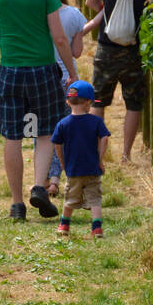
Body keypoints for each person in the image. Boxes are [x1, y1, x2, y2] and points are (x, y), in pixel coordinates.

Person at [0, 0, 78, 223]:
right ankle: (38, 186)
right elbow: (59, 38)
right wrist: (72, 73)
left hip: (9, 71)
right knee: (45, 130)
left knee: (13, 136)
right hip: (42, 70)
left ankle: (16, 204)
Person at [86, 0, 153, 162]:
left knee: (98, 100)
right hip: (132, 51)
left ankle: (96, 151)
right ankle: (126, 154)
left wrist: (106, 10)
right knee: (134, 102)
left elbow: (90, 0)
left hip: (105, 47)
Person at [37, 0, 85, 199]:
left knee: (42, 129)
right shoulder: (74, 14)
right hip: (67, 78)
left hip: (41, 76)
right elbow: (76, 52)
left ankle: (43, 178)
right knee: (63, 128)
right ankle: (57, 179)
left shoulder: (34, 13)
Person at [52, 81, 110, 239]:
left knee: (70, 198)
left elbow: (56, 143)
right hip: (92, 168)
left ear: (67, 102)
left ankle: (64, 225)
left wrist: (63, 162)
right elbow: (104, 138)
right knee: (95, 199)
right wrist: (100, 159)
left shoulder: (63, 124)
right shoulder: (96, 121)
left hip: (73, 169)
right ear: (88, 102)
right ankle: (96, 229)